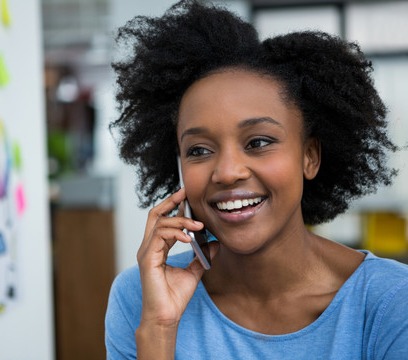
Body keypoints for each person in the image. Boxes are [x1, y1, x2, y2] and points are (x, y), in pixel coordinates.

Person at [105, 1, 408, 359]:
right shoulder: (141, 297)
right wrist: (159, 328)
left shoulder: (389, 302)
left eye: (258, 142)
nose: (228, 171)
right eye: (199, 150)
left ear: (309, 156)